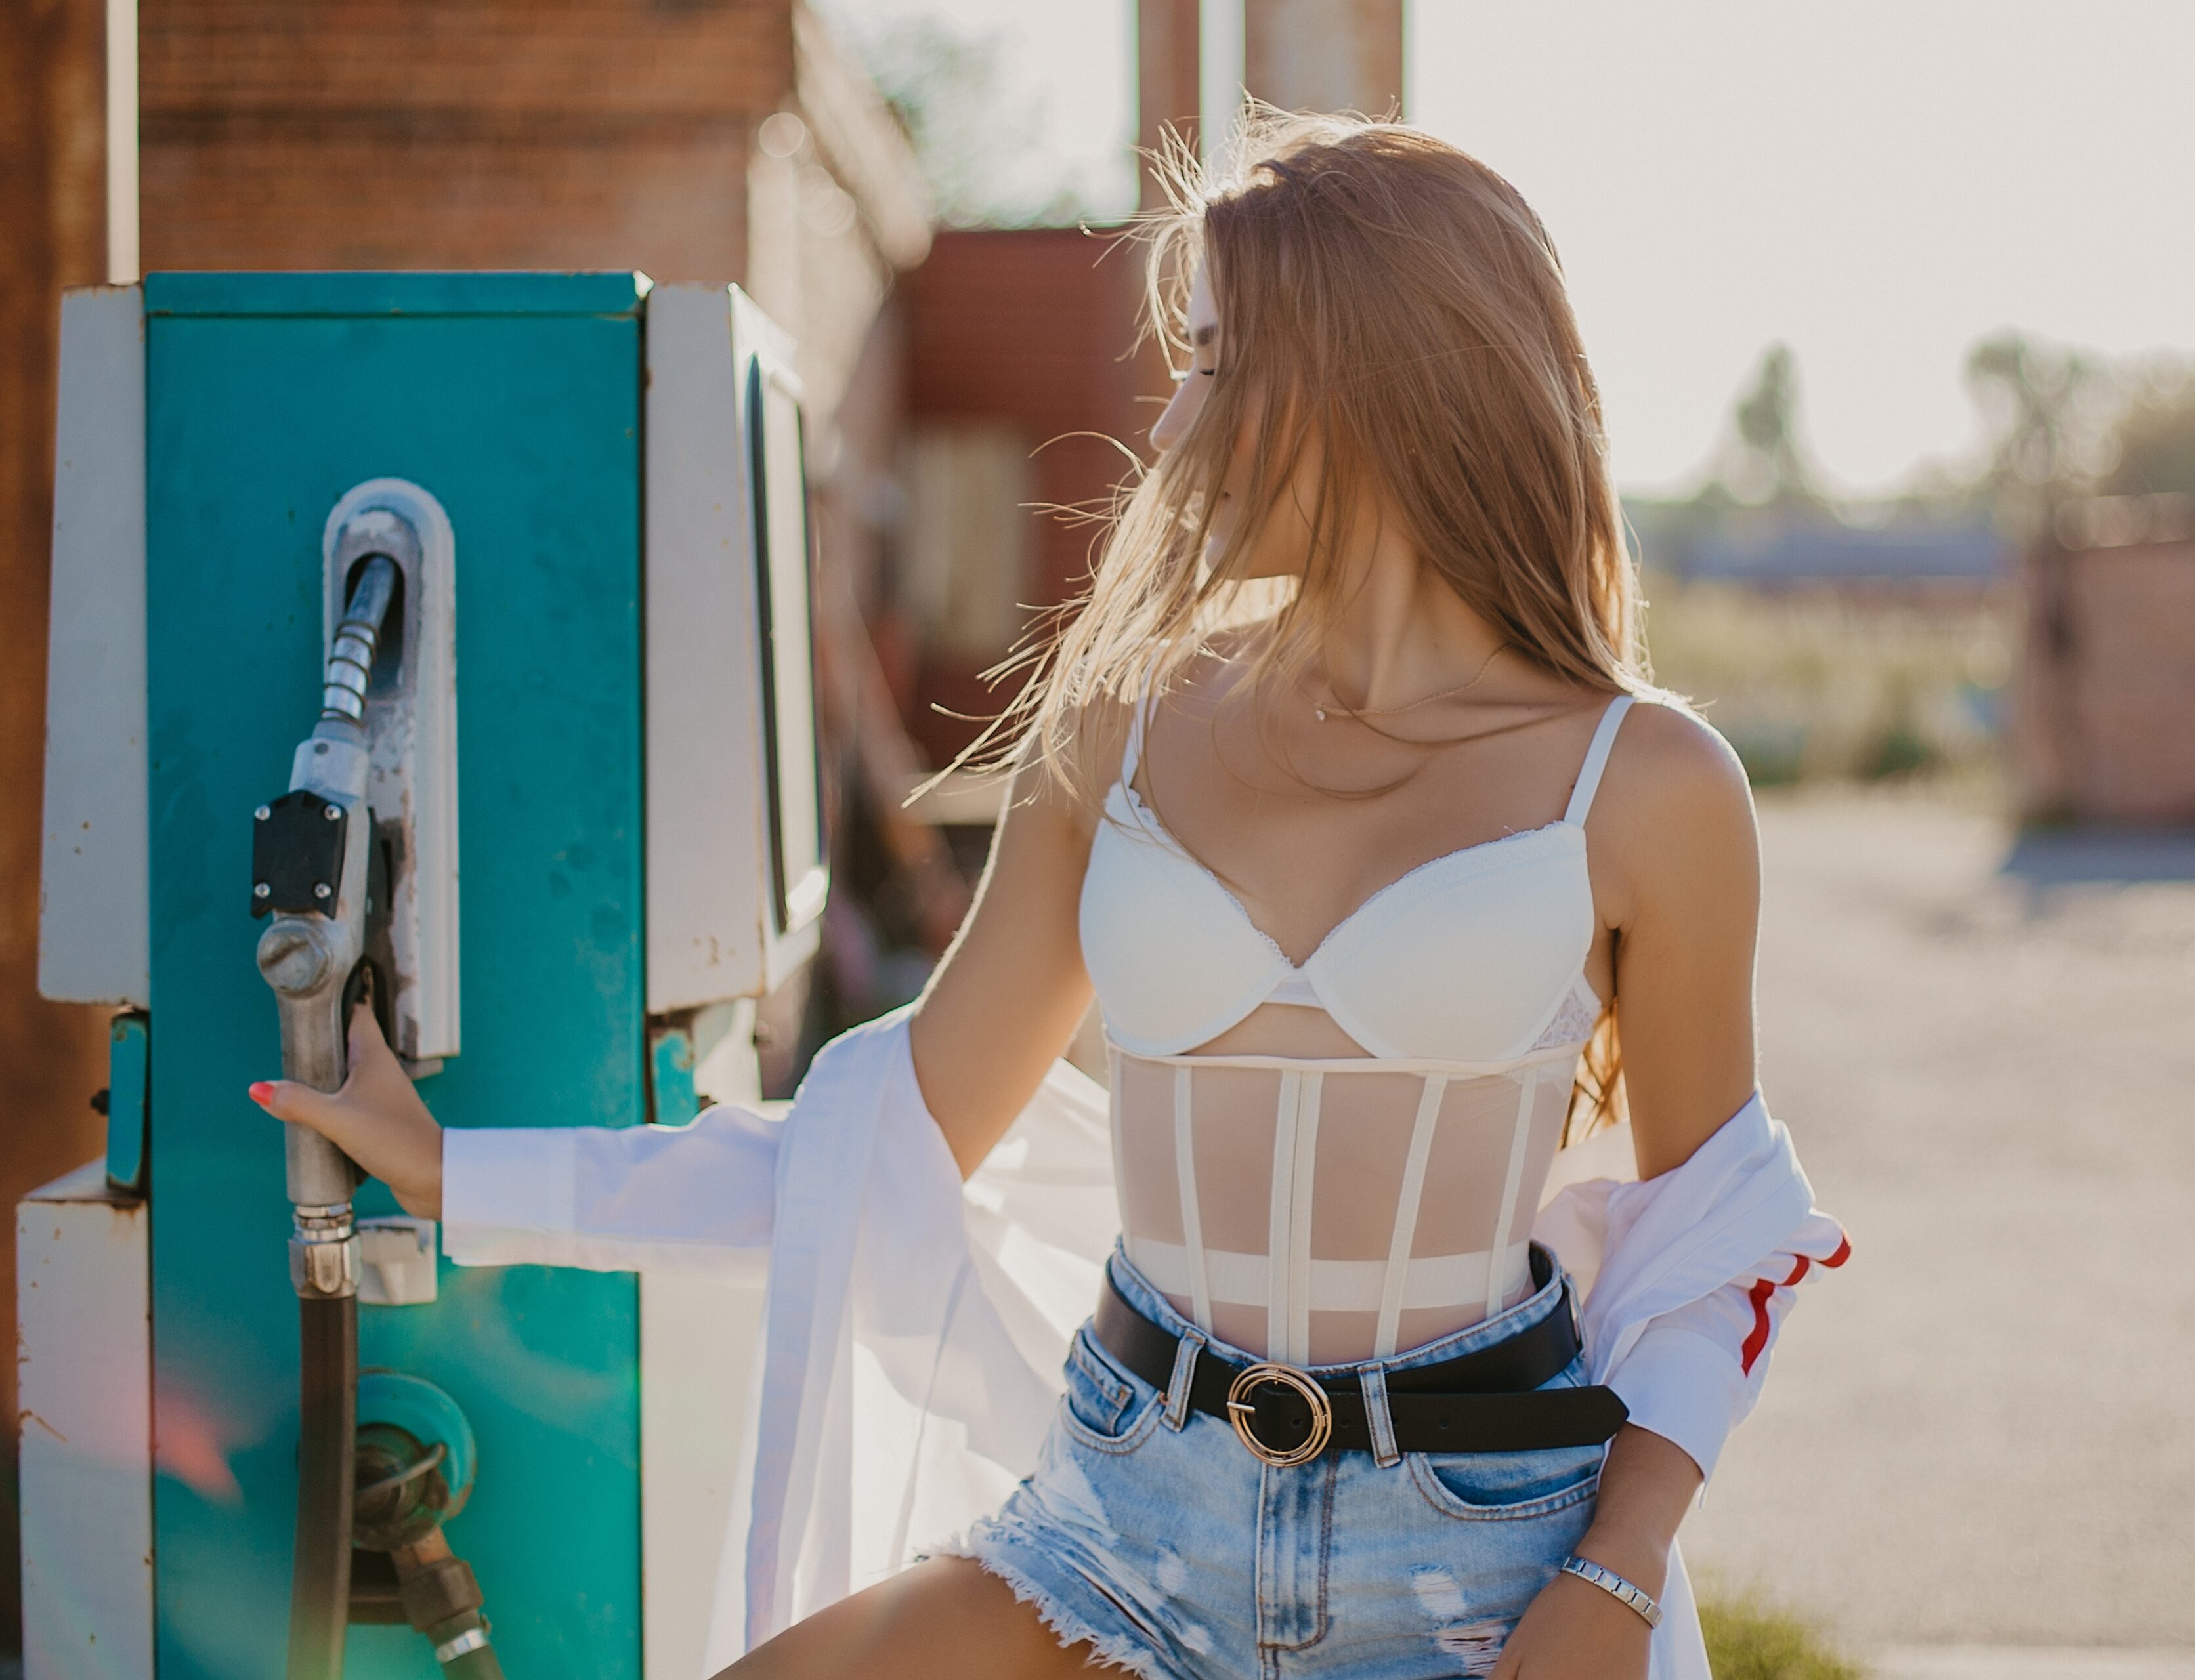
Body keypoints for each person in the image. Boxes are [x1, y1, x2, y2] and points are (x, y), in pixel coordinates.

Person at [253, 111, 1846, 1680]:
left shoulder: (1647, 785)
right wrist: (462, 1172)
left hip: (1481, 1557)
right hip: (1122, 1515)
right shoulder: (1123, 730)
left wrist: (1616, 1582)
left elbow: (1711, 1246)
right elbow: (871, 1145)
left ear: (1372, 372)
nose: (1168, 429)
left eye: (1218, 361)